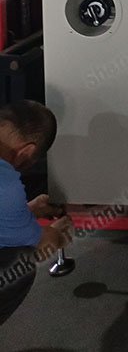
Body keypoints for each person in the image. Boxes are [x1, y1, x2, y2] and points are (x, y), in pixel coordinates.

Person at [0, 100, 72, 326]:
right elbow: (42, 244)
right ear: (27, 152)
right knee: (20, 261)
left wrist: (29, 210)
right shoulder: (7, 185)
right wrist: (57, 233)